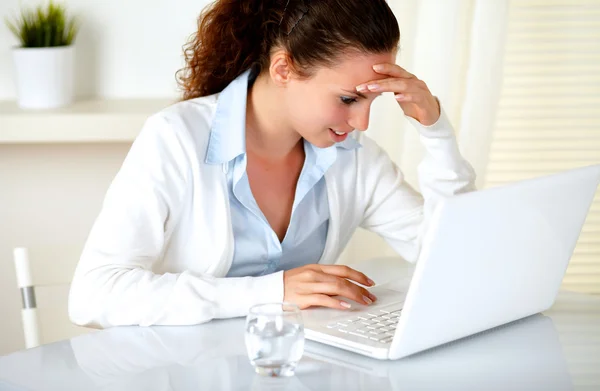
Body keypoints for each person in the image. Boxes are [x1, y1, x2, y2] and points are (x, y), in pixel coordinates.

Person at [68, 0, 476, 328]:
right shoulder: (176, 139)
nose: (362, 122)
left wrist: (435, 129)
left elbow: (454, 259)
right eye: (349, 99)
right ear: (284, 68)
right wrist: (269, 292)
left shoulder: (354, 158)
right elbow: (94, 295)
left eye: (374, 100)